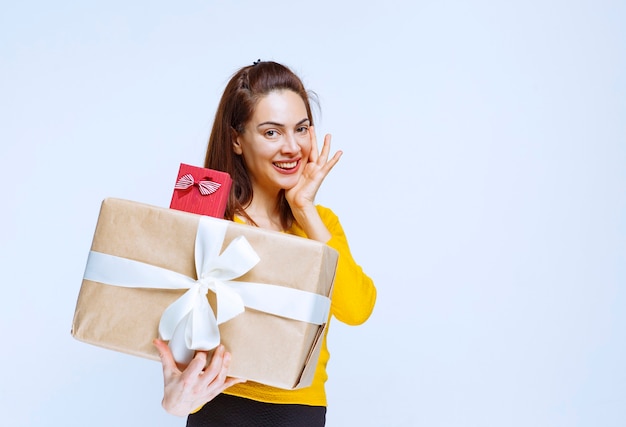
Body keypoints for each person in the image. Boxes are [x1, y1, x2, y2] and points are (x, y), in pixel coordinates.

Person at [153, 60, 377, 426]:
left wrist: (305, 210)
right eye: (272, 133)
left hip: (302, 412)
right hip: (223, 409)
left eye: (301, 129)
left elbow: (357, 309)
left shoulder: (321, 224)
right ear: (236, 140)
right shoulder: (209, 218)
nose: (292, 147)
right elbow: (178, 338)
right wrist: (177, 402)